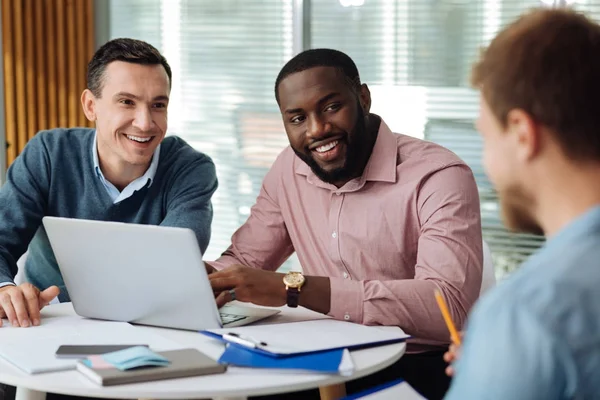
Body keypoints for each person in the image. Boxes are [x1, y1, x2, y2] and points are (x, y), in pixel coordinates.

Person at [208, 48, 483, 400]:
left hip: (419, 363)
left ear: (363, 98)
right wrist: (208, 275)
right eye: (297, 119)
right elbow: (245, 260)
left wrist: (296, 289)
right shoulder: (288, 171)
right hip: (320, 356)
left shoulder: (438, 175)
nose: (317, 129)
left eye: (331, 107)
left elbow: (448, 305)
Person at [0, 38, 217, 329]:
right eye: (127, 102)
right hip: (48, 321)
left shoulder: (190, 169)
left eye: (158, 105)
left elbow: (171, 268)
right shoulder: (49, 154)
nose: (145, 123)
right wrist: (4, 290)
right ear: (91, 105)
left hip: (145, 322)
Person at [444, 8, 600, 400]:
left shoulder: (530, 312)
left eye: (485, 136)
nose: (485, 162)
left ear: (521, 133)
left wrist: (504, 348)